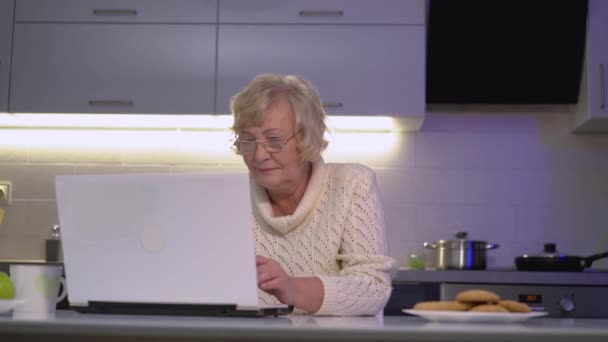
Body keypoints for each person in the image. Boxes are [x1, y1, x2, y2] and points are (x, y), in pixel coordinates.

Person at [230, 74, 396, 316]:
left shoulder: (351, 184)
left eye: (274, 139)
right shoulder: (231, 196)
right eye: (247, 140)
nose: (258, 155)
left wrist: (292, 289)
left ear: (307, 138)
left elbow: (373, 288)